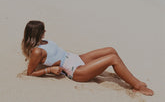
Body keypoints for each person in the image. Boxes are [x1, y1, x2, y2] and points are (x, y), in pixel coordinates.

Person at [22, 20, 154, 96]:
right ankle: (137, 86)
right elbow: (30, 73)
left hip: (75, 58)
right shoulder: (37, 51)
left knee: (110, 49)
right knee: (113, 58)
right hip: (75, 70)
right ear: (37, 33)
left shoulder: (42, 41)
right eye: (43, 30)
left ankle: (123, 73)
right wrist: (49, 70)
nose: (45, 32)